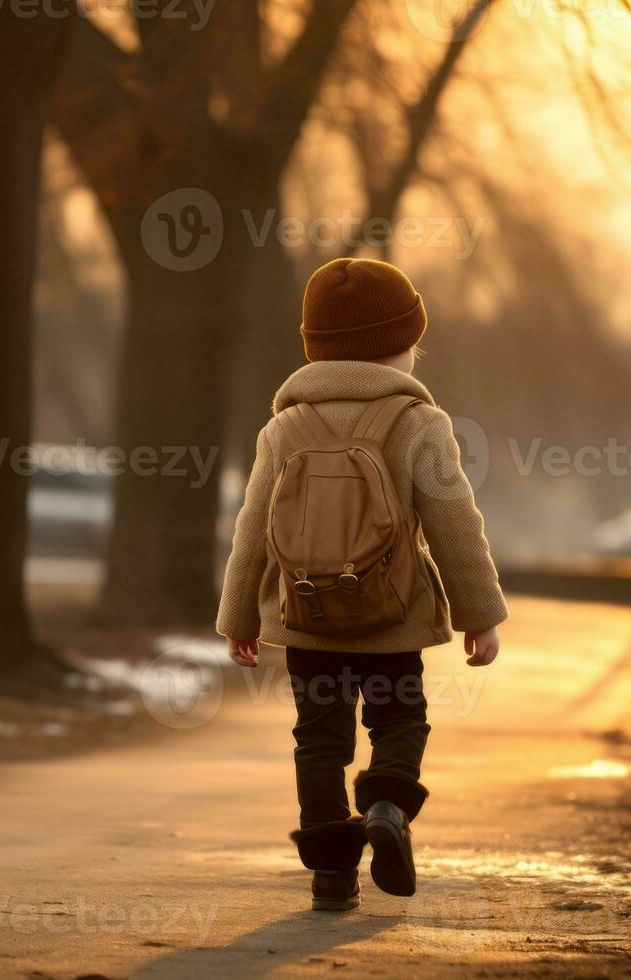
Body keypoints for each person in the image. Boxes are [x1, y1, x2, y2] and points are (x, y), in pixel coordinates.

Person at [216, 257, 508, 911]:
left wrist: (238, 616)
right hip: (392, 618)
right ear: (398, 347)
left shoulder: (281, 429)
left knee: (317, 739)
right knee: (399, 718)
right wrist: (479, 614)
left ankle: (329, 874)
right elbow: (455, 523)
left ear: (313, 347)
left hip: (304, 618)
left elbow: (253, 531)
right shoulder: (418, 425)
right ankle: (384, 805)